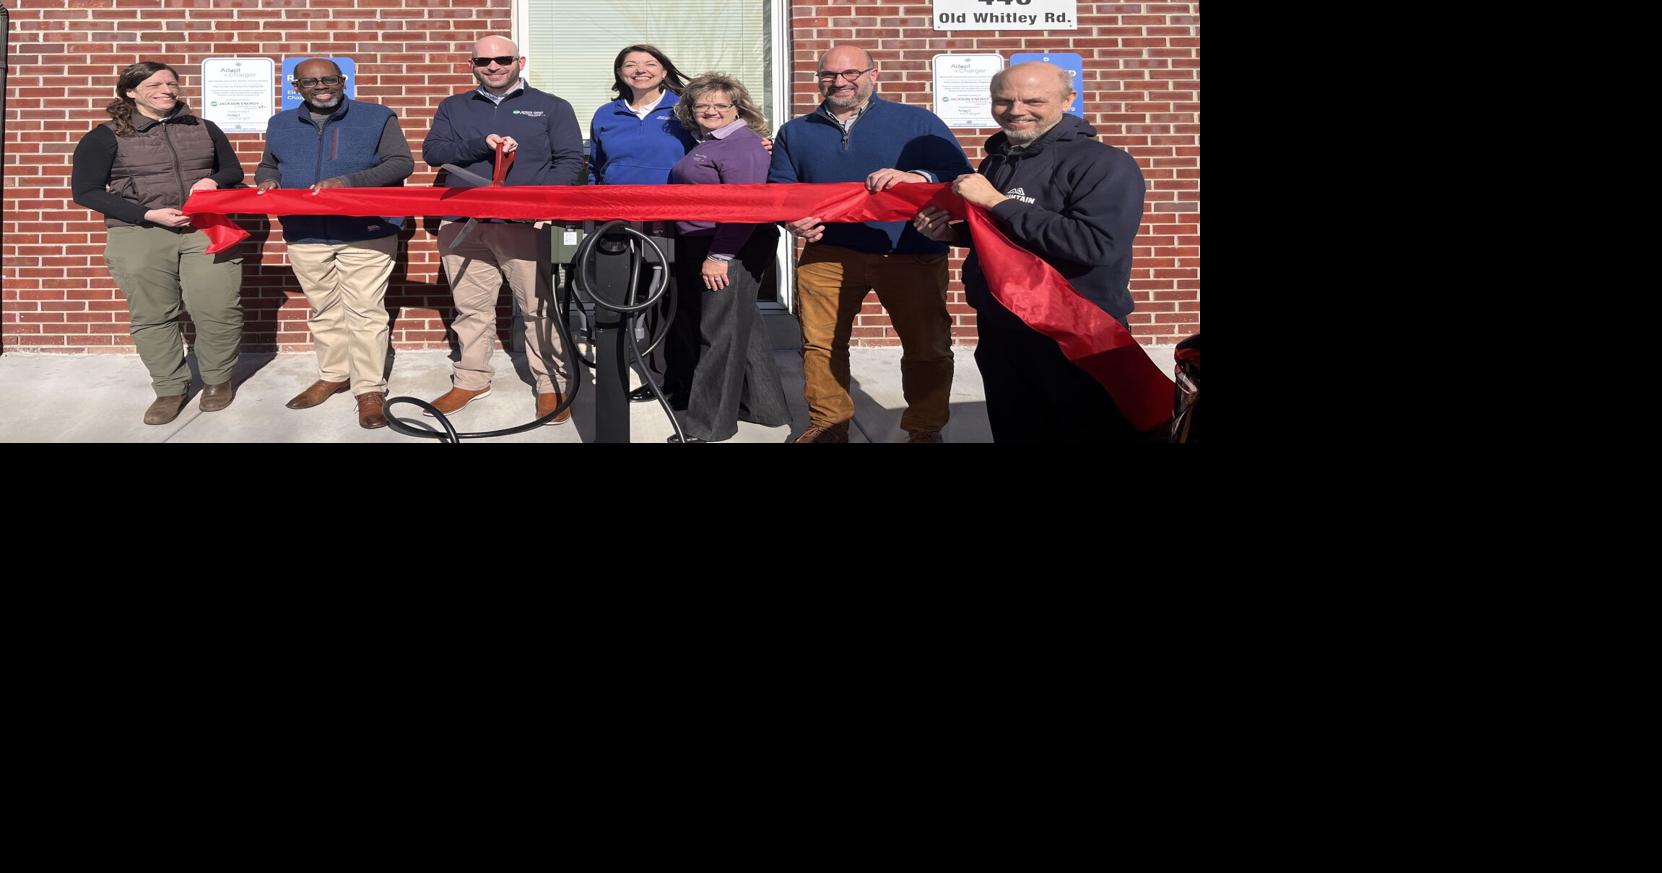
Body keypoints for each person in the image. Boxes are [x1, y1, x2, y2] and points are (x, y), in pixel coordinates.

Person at [913, 62, 1147, 442]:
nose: (1016, 110)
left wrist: (998, 202)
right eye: (1003, 100)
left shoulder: (1105, 163)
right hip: (1002, 329)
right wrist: (951, 235)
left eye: (1033, 100)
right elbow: (1004, 236)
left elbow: (1094, 244)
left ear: (1068, 100)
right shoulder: (997, 161)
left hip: (1076, 331)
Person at [769, 44, 972, 443]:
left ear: (873, 74)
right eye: (829, 75)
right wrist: (791, 220)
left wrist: (918, 175)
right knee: (821, 346)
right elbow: (781, 190)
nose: (839, 82)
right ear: (819, 79)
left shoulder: (918, 122)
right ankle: (829, 424)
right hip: (827, 252)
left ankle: (925, 428)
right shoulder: (795, 131)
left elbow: (959, 174)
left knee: (927, 346)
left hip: (910, 251)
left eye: (850, 73)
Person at [70, 61, 244, 425]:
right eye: (155, 84)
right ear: (131, 92)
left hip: (204, 228)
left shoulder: (204, 128)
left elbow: (233, 171)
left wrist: (214, 182)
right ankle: (170, 388)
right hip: (139, 233)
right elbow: (85, 191)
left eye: (171, 83)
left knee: (218, 308)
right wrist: (147, 214)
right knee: (153, 314)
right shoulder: (103, 136)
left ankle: (217, 381)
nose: (167, 89)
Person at [422, 34, 584, 422]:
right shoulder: (454, 106)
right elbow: (434, 153)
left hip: (524, 224)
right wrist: (481, 144)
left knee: (537, 307)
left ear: (519, 61)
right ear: (471, 65)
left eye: (502, 59)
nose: (493, 67)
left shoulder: (551, 106)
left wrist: (534, 203)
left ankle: (551, 384)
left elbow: (571, 162)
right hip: (463, 223)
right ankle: (472, 378)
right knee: (470, 308)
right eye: (484, 62)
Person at [255, 58, 414, 429]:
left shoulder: (376, 117)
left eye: (328, 79)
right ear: (297, 87)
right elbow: (269, 165)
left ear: (343, 81)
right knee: (323, 309)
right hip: (304, 231)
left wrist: (348, 182)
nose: (320, 86)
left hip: (366, 231)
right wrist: (268, 180)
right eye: (310, 82)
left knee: (364, 311)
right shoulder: (280, 123)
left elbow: (400, 163)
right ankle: (334, 374)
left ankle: (369, 389)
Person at [661, 73, 791, 442]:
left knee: (716, 333)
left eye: (721, 105)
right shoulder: (709, 142)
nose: (711, 111)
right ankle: (766, 408)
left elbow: (744, 208)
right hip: (709, 243)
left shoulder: (741, 144)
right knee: (741, 327)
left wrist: (720, 255)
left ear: (738, 108)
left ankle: (707, 426)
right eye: (703, 105)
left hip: (729, 246)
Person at [589, 44, 699, 405]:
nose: (640, 70)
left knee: (668, 302)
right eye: (630, 65)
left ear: (664, 71)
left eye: (649, 64)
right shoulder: (606, 114)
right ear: (620, 72)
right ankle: (628, 371)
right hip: (616, 221)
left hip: (669, 221)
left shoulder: (684, 112)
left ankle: (674, 381)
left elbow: (716, 147)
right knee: (624, 298)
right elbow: (595, 168)